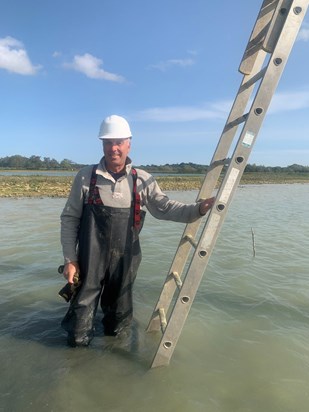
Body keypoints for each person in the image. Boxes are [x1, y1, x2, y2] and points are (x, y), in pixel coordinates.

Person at [60, 114, 215, 347]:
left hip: (125, 261)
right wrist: (70, 259)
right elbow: (69, 219)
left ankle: (114, 360)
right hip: (89, 261)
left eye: (119, 142)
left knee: (118, 321)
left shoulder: (142, 179)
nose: (114, 148)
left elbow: (165, 208)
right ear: (102, 144)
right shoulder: (85, 176)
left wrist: (199, 210)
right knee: (80, 320)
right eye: (108, 142)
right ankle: (77, 361)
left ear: (129, 143)